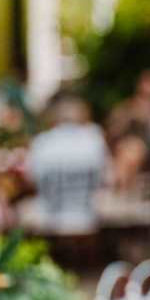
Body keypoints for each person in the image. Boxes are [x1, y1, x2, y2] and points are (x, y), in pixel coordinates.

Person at [25, 94, 107, 235]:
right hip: (87, 217)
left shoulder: (42, 143)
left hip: (50, 219)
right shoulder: (94, 141)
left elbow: (31, 181)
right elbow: (104, 181)